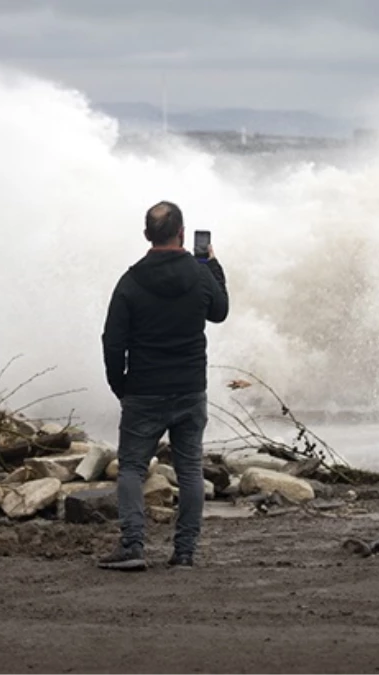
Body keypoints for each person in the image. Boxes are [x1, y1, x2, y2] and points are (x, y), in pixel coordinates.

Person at [98, 200, 229, 571]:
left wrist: (120, 385)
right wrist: (213, 265)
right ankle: (184, 552)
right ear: (182, 233)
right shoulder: (199, 274)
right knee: (189, 471)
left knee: (132, 469)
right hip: (190, 387)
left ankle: (133, 546)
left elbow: (112, 342)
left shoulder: (130, 281)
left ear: (146, 235)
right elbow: (219, 312)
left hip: (144, 388)